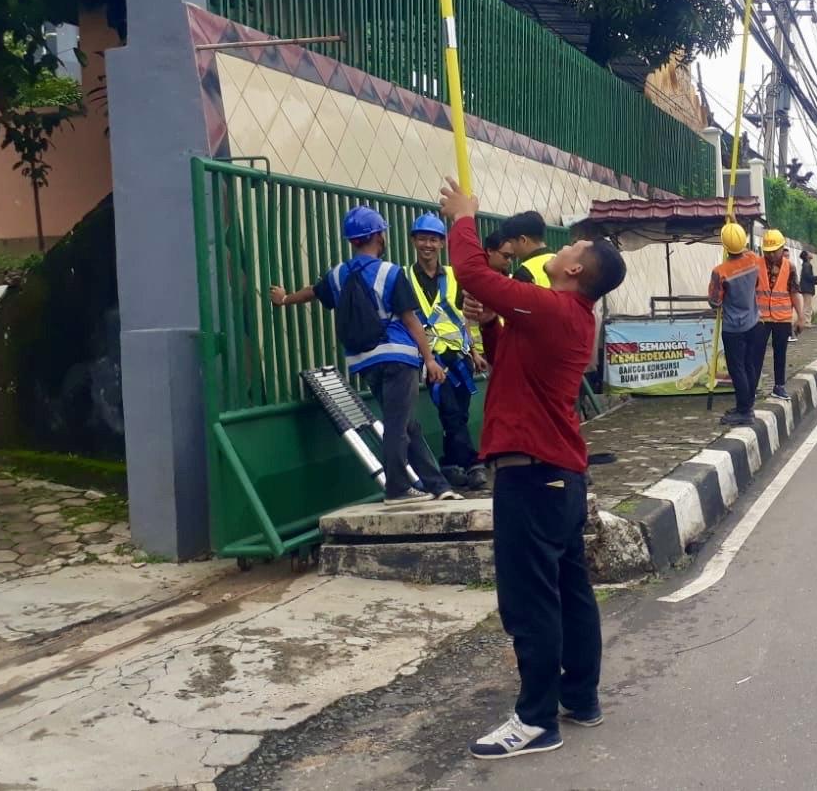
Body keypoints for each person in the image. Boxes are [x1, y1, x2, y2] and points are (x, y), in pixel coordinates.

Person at [439, 177, 628, 763]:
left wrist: (463, 219)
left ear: (577, 271)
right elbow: (507, 361)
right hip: (557, 475)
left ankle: (536, 719)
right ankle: (580, 698)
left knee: (531, 599)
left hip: (534, 474)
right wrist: (490, 325)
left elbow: (473, 274)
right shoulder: (556, 315)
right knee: (570, 592)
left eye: (570, 249)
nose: (559, 250)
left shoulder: (556, 308)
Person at [268, 206, 457, 505]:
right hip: (398, 356)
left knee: (406, 423)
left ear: (352, 240)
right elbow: (410, 320)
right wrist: (430, 359)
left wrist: (284, 300)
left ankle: (437, 485)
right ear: (379, 236)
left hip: (365, 361)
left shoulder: (339, 274)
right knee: (398, 424)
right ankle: (396, 488)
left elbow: (313, 292)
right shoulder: (390, 272)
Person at [408, 213, 490, 492]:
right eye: (422, 239)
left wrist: (476, 351)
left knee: (459, 414)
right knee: (450, 412)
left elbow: (465, 316)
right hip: (431, 360)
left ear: (442, 244)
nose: (427, 245)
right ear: (413, 241)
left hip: (460, 356)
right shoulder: (405, 278)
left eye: (433, 239)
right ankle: (473, 464)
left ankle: (451, 464)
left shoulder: (454, 277)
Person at [707, 223, 761, 427]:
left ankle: (744, 411)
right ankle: (745, 404)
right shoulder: (755, 261)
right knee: (749, 366)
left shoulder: (720, 272)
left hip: (733, 328)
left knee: (737, 368)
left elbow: (715, 301)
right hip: (753, 323)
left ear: (725, 246)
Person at [750, 229, 803, 402]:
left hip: (782, 318)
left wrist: (800, 317)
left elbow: (795, 293)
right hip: (761, 318)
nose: (771, 254)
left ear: (782, 248)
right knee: (756, 353)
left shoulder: (790, 267)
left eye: (775, 251)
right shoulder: (755, 265)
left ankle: (779, 386)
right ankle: (751, 388)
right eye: (768, 251)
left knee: (780, 353)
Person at [796, 249, 817, 336]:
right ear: (806, 256)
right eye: (809, 253)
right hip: (807, 288)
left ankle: (807, 322)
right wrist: (816, 278)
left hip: (806, 287)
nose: (811, 253)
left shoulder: (806, 265)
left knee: (807, 305)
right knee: (807, 306)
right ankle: (805, 322)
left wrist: (815, 281)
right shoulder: (807, 265)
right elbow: (808, 276)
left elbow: (807, 277)